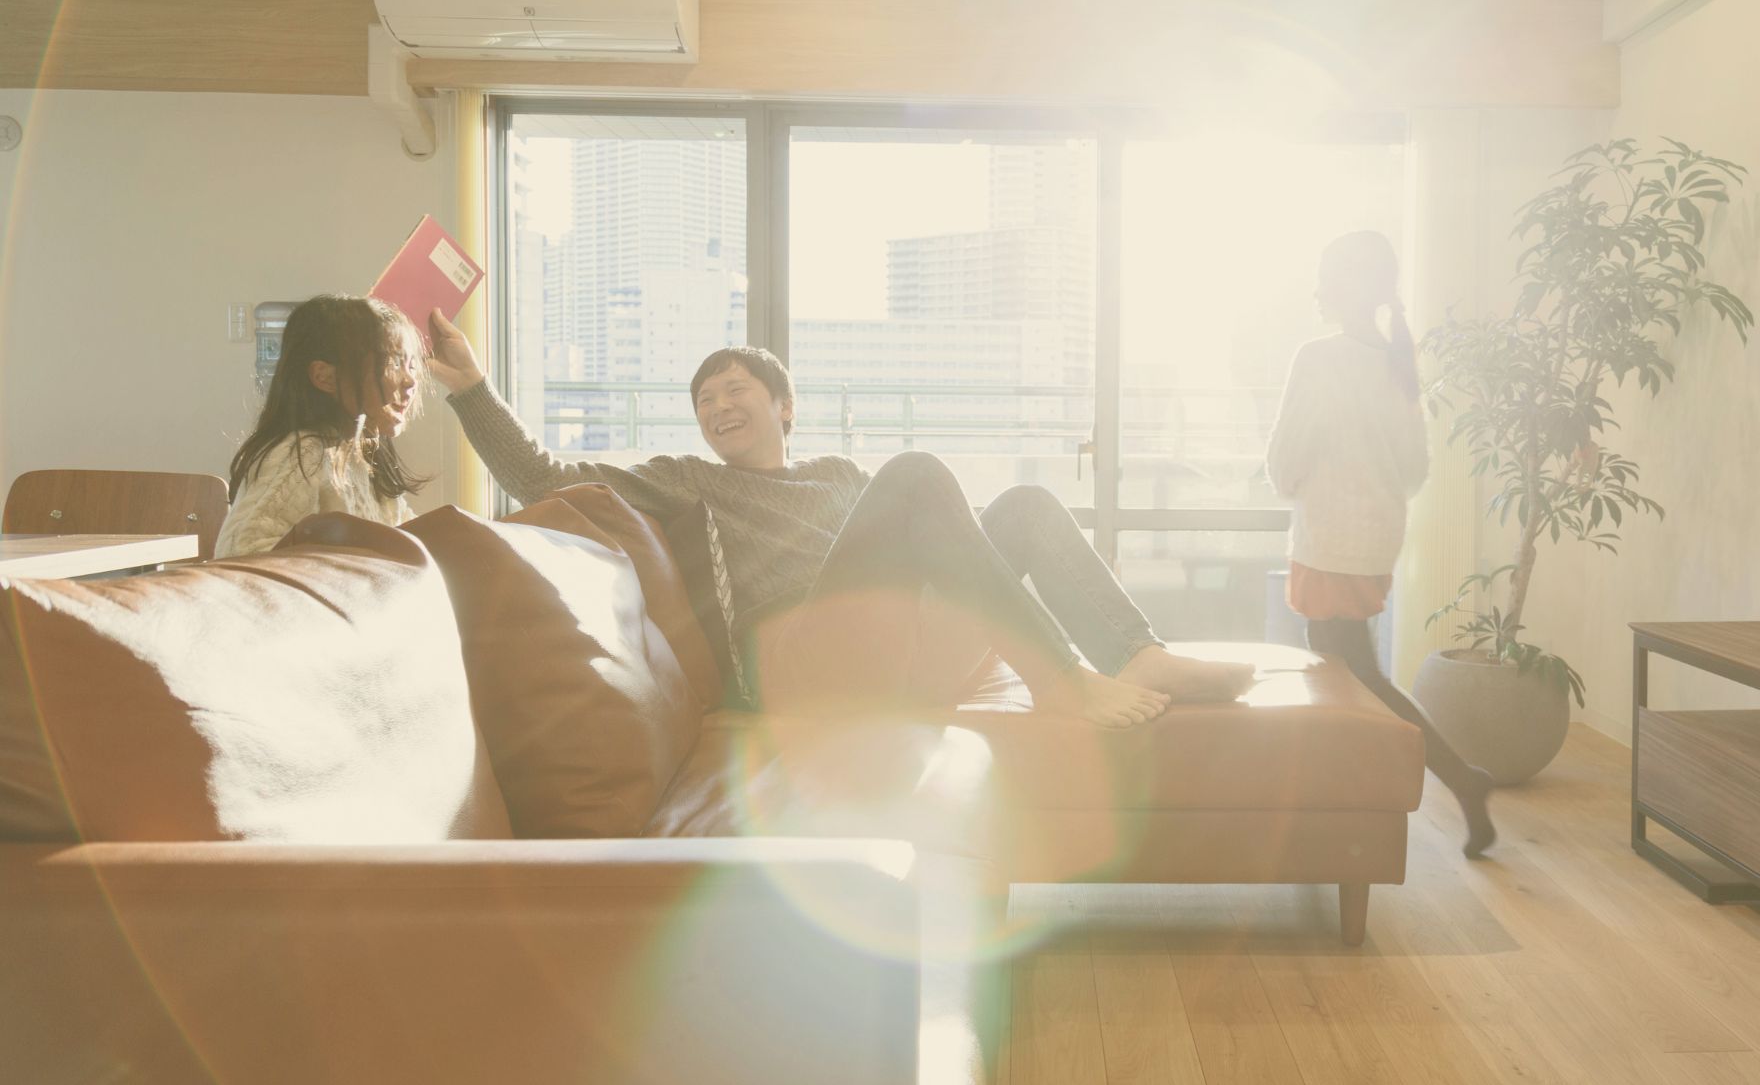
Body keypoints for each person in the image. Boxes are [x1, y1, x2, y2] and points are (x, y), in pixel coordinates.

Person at [423, 310, 1255, 729]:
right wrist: (470, 389)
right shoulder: (689, 482)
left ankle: (1136, 651)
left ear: (784, 405)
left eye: (735, 389)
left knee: (1027, 506)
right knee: (922, 474)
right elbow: (542, 474)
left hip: (899, 650)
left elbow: (943, 549)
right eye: (704, 400)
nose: (718, 406)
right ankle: (1062, 680)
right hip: (799, 667)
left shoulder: (839, 476)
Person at [1266, 231, 1496, 857]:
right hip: (1373, 539)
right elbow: (1415, 467)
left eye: (1325, 276)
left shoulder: (1319, 357)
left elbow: (1289, 452)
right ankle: (1449, 781)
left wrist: (1294, 484)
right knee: (1353, 671)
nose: (1318, 288)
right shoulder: (1397, 363)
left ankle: (1434, 783)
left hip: (1326, 538)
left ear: (1341, 287)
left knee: (1344, 676)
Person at [215, 295, 427, 558]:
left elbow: (408, 536)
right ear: (325, 377)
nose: (410, 381)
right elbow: (240, 554)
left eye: (412, 365)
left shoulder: (363, 453)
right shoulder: (303, 455)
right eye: (393, 363)